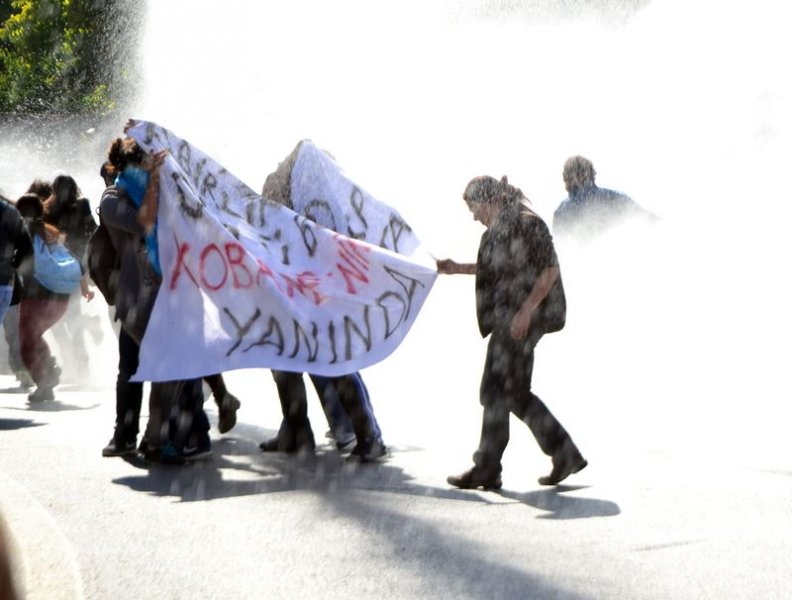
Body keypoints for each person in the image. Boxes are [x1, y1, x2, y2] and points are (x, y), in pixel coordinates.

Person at [438, 175, 587, 489]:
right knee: (512, 393)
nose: (474, 217)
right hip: (510, 317)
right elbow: (492, 269)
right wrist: (456, 268)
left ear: (489, 200)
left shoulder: (527, 223)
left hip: (524, 319)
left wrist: (525, 312)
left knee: (497, 391)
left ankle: (488, 467)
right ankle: (563, 454)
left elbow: (550, 270)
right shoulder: (498, 230)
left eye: (475, 208)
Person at [257, 146, 387, 462]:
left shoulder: (312, 208)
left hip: (314, 301)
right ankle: (298, 431)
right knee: (288, 363)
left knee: (332, 365)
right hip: (298, 300)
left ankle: (366, 435)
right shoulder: (298, 202)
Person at [99, 131, 210, 463]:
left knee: (172, 367)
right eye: (147, 162)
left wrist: (149, 134)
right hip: (137, 299)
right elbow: (145, 223)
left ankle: (169, 438)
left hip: (165, 296)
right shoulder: (113, 198)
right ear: (132, 165)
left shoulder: (158, 192)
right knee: (148, 368)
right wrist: (156, 181)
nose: (152, 167)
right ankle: (139, 437)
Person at [15, 193, 95, 402]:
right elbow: (72, 261)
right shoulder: (49, 232)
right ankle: (49, 373)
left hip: (37, 298)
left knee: (26, 343)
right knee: (34, 337)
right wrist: (84, 288)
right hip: (60, 299)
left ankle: (46, 380)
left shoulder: (23, 233)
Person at [43, 174, 102, 383]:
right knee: (68, 318)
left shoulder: (53, 209)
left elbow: (92, 230)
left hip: (61, 269)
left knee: (64, 319)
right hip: (72, 268)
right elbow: (93, 230)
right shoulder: (77, 205)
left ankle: (78, 366)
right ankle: (79, 364)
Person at [552, 155, 654, 240]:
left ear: (573, 178)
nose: (564, 180)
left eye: (565, 176)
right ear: (592, 174)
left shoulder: (563, 211)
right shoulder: (616, 198)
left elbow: (558, 247)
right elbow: (649, 218)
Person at [0, 195, 33, 335]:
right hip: (4, 283)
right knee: (13, 335)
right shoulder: (10, 212)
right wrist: (11, 266)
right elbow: (27, 249)